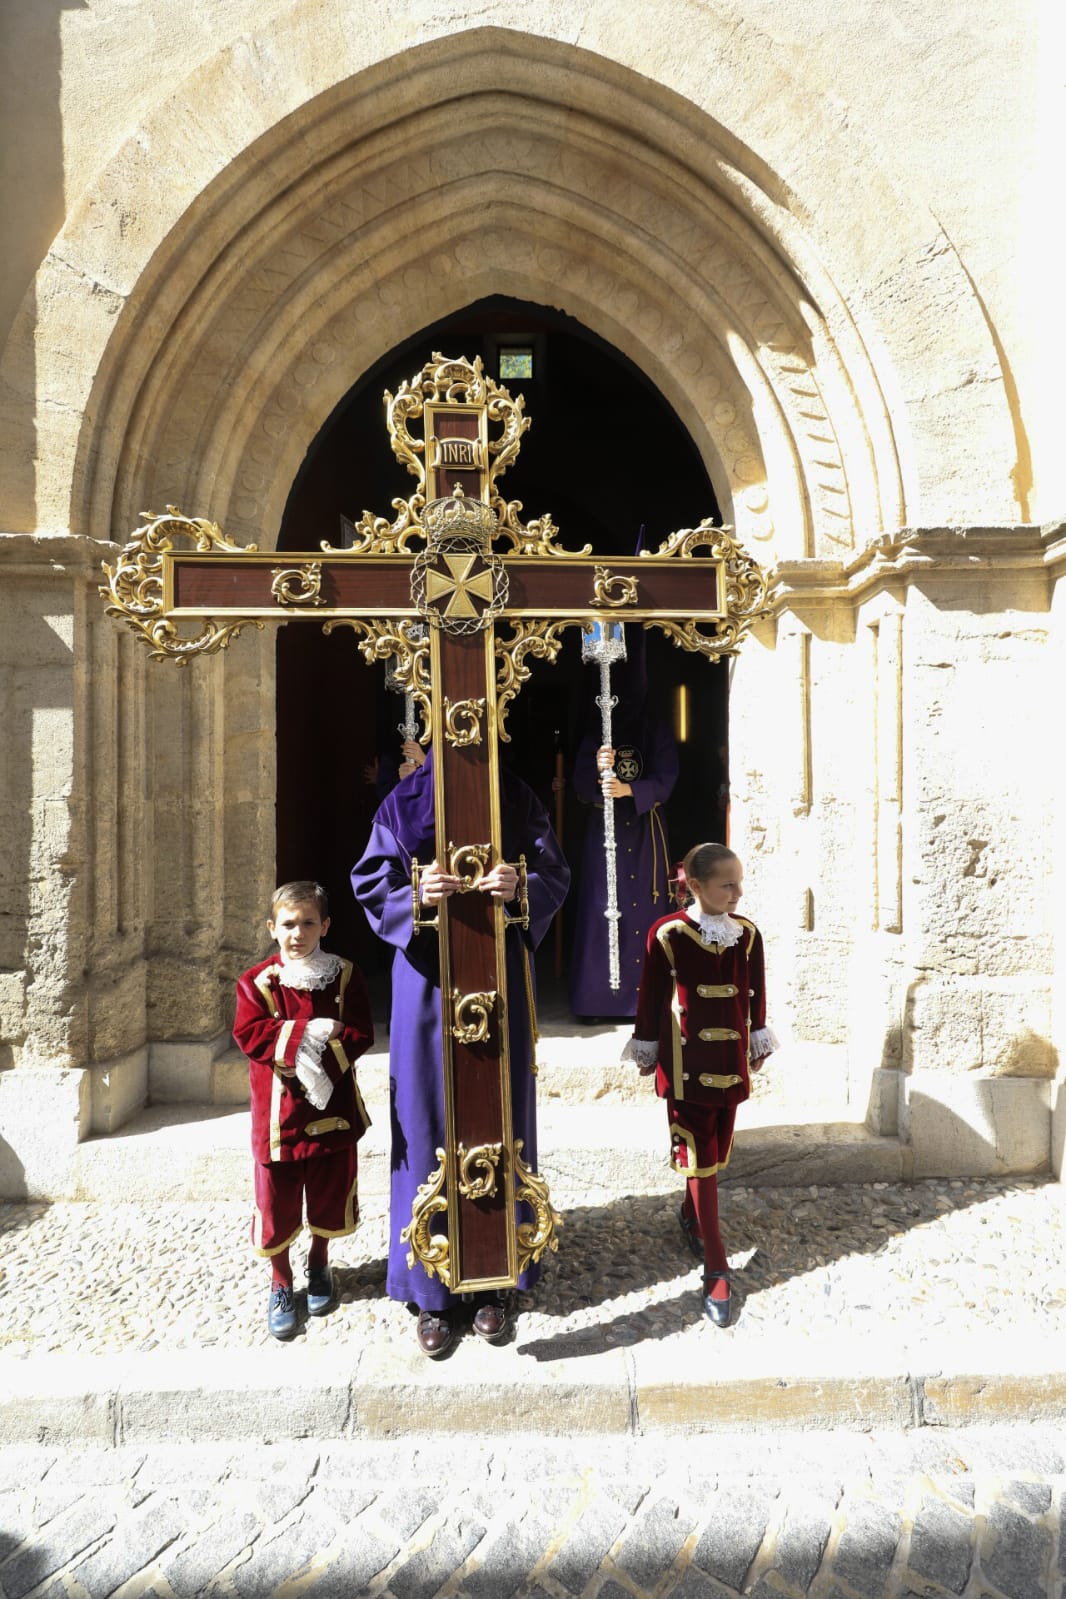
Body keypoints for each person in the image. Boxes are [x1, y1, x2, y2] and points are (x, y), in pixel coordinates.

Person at [351, 749, 569, 1358]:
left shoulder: (516, 795)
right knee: (425, 1124)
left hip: (499, 976)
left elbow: (555, 872)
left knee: (499, 1116)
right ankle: (431, 1294)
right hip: (427, 984)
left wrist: (521, 883)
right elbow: (371, 882)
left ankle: (499, 1277)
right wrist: (415, 892)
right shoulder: (403, 803)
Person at [622, 843, 777, 1327]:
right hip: (687, 1071)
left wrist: (757, 1034)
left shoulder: (747, 934)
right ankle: (716, 1268)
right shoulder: (667, 934)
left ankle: (690, 1216)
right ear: (696, 886)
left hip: (730, 1065)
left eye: (739, 882)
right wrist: (647, 1048)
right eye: (726, 884)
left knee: (716, 1154)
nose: (737, 892)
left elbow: (755, 991)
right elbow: (652, 998)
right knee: (702, 1162)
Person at [233, 880, 374, 1339]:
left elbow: (360, 1032)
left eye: (308, 923)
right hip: (279, 1115)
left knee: (330, 1192)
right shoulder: (256, 983)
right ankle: (280, 1280)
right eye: (289, 924)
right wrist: (307, 1033)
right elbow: (250, 1035)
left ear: (325, 926)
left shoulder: (345, 974)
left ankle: (319, 1263)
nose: (299, 933)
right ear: (272, 928)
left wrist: (327, 1049)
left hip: (332, 1105)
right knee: (276, 1201)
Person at [568, 632, 679, 1021]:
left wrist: (629, 788)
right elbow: (580, 786)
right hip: (606, 833)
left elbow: (667, 779)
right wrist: (598, 770)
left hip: (646, 832)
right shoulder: (596, 734)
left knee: (645, 908)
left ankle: (644, 1002)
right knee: (603, 907)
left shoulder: (659, 730)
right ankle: (599, 1000)